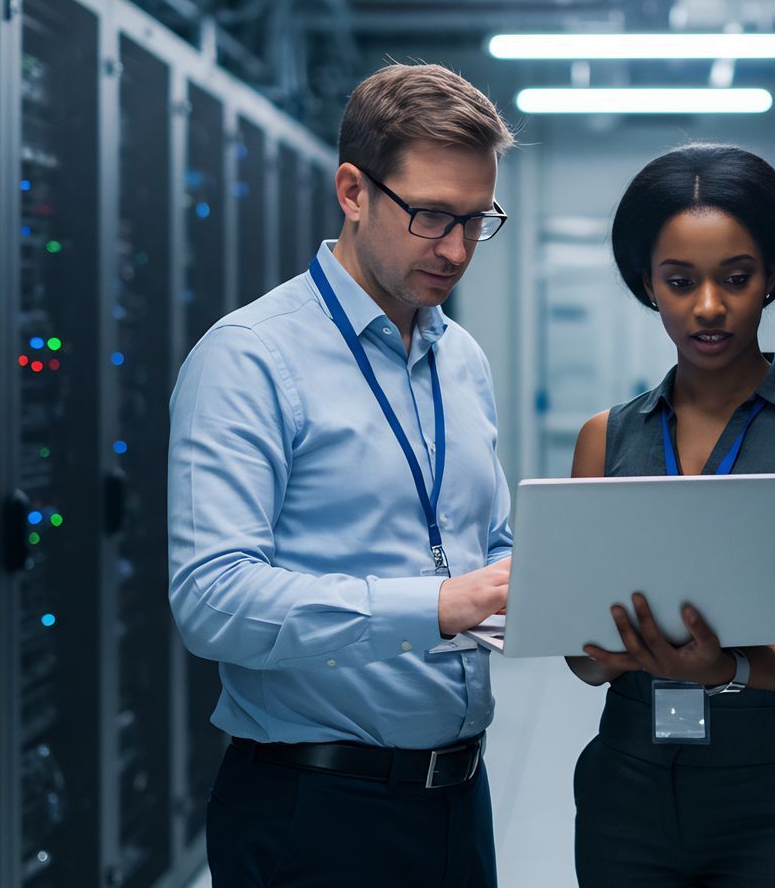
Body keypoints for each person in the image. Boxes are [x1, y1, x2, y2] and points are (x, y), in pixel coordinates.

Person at [168, 62, 517, 888]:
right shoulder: (250, 358)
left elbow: (483, 543)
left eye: (478, 219)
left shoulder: (460, 357)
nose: (458, 248)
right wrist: (436, 605)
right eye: (432, 215)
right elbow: (212, 599)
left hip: (458, 804)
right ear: (353, 191)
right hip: (313, 813)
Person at [566, 144, 775, 886]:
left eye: (736, 278)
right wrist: (613, 649)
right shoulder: (606, 437)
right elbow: (581, 660)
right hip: (630, 788)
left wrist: (732, 667)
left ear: (771, 276)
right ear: (647, 284)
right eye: (680, 281)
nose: (708, 306)